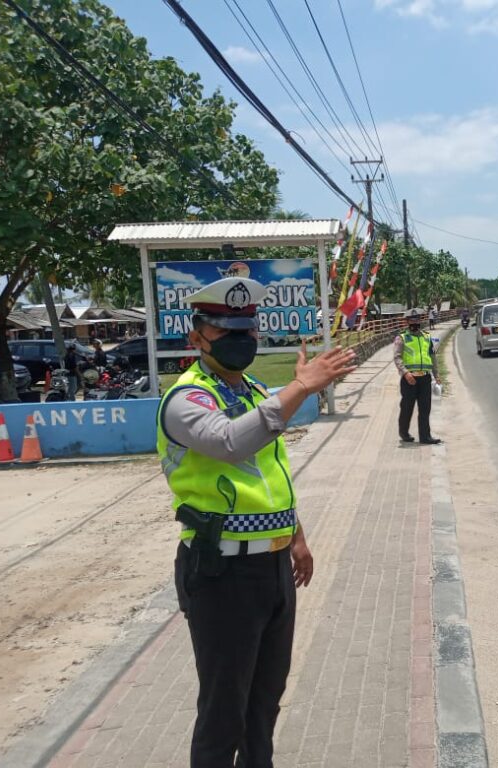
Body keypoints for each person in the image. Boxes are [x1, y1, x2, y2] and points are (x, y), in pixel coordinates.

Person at [157, 276, 356, 767]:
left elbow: (272, 473)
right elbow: (229, 443)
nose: (241, 339)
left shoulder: (253, 392)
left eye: (247, 329)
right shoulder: (186, 398)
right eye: (226, 331)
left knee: (265, 702)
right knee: (223, 711)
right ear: (197, 337)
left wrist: (296, 536)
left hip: (272, 568)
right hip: (221, 573)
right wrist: (301, 386)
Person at [394, 309, 441, 444]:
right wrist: (405, 373)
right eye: (412, 320)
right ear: (407, 322)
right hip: (409, 379)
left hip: (425, 378)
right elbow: (397, 358)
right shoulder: (402, 338)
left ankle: (425, 437)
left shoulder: (427, 337)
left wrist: (436, 374)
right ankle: (404, 433)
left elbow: (432, 357)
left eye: (417, 319)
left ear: (420, 320)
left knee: (425, 408)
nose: (415, 322)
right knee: (407, 408)